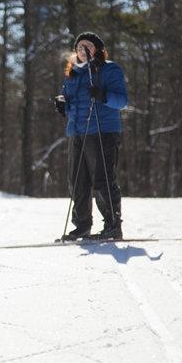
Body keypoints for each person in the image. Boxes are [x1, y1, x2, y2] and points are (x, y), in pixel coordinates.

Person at [54, 32, 128, 240]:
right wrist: (62, 103)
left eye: (87, 47)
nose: (83, 51)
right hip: (76, 131)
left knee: (102, 179)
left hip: (102, 130)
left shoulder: (109, 69)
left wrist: (103, 96)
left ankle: (113, 225)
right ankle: (82, 225)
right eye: (79, 48)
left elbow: (121, 100)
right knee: (78, 181)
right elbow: (67, 97)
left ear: (97, 50)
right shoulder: (73, 73)